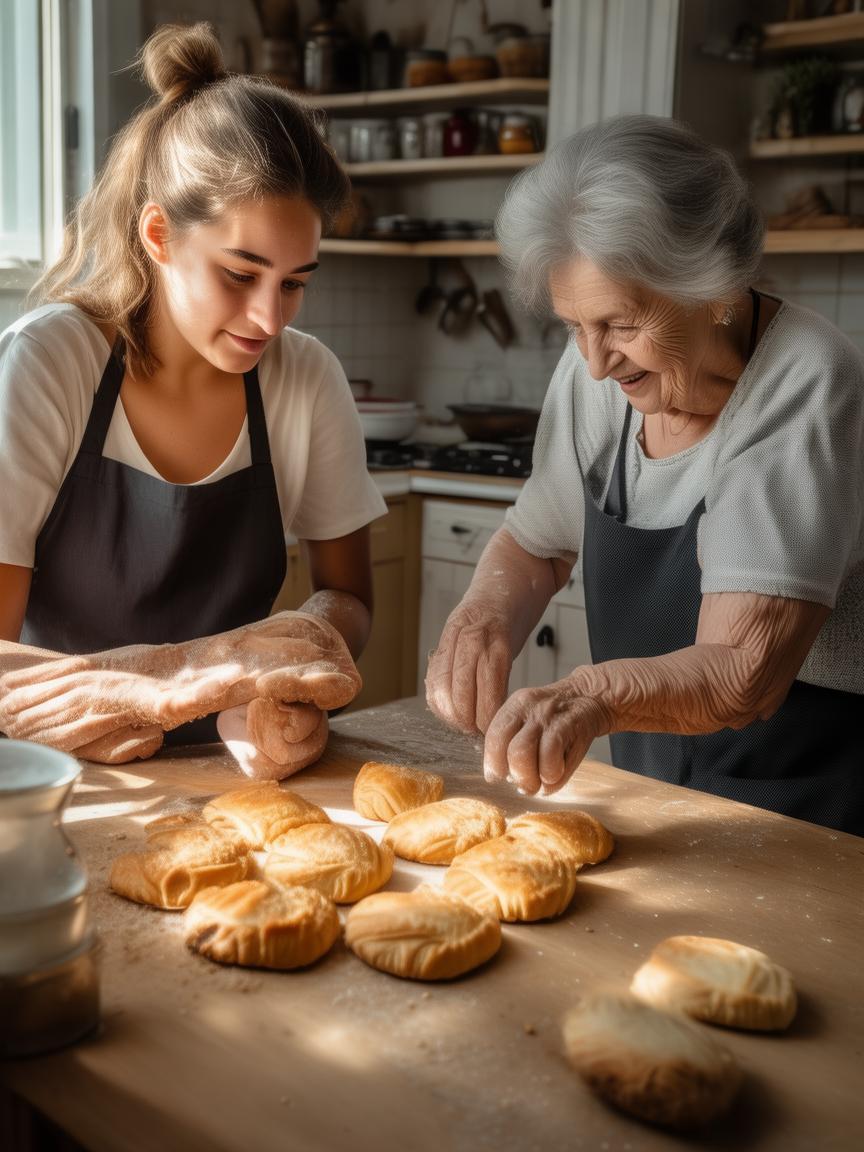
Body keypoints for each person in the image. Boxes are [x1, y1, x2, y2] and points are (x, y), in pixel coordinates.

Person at [426, 114, 864, 836]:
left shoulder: (805, 381)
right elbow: (538, 543)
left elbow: (742, 672)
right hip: (655, 789)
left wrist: (593, 695)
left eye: (621, 325)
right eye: (575, 326)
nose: (596, 363)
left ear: (716, 288)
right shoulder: (597, 373)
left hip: (806, 805)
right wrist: (481, 619)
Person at [0, 22, 386, 776]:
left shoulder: (306, 379)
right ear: (160, 235)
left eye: (294, 283)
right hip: (58, 774)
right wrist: (173, 679)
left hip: (241, 769)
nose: (269, 319)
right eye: (240, 274)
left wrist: (298, 652)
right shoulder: (51, 362)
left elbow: (349, 597)